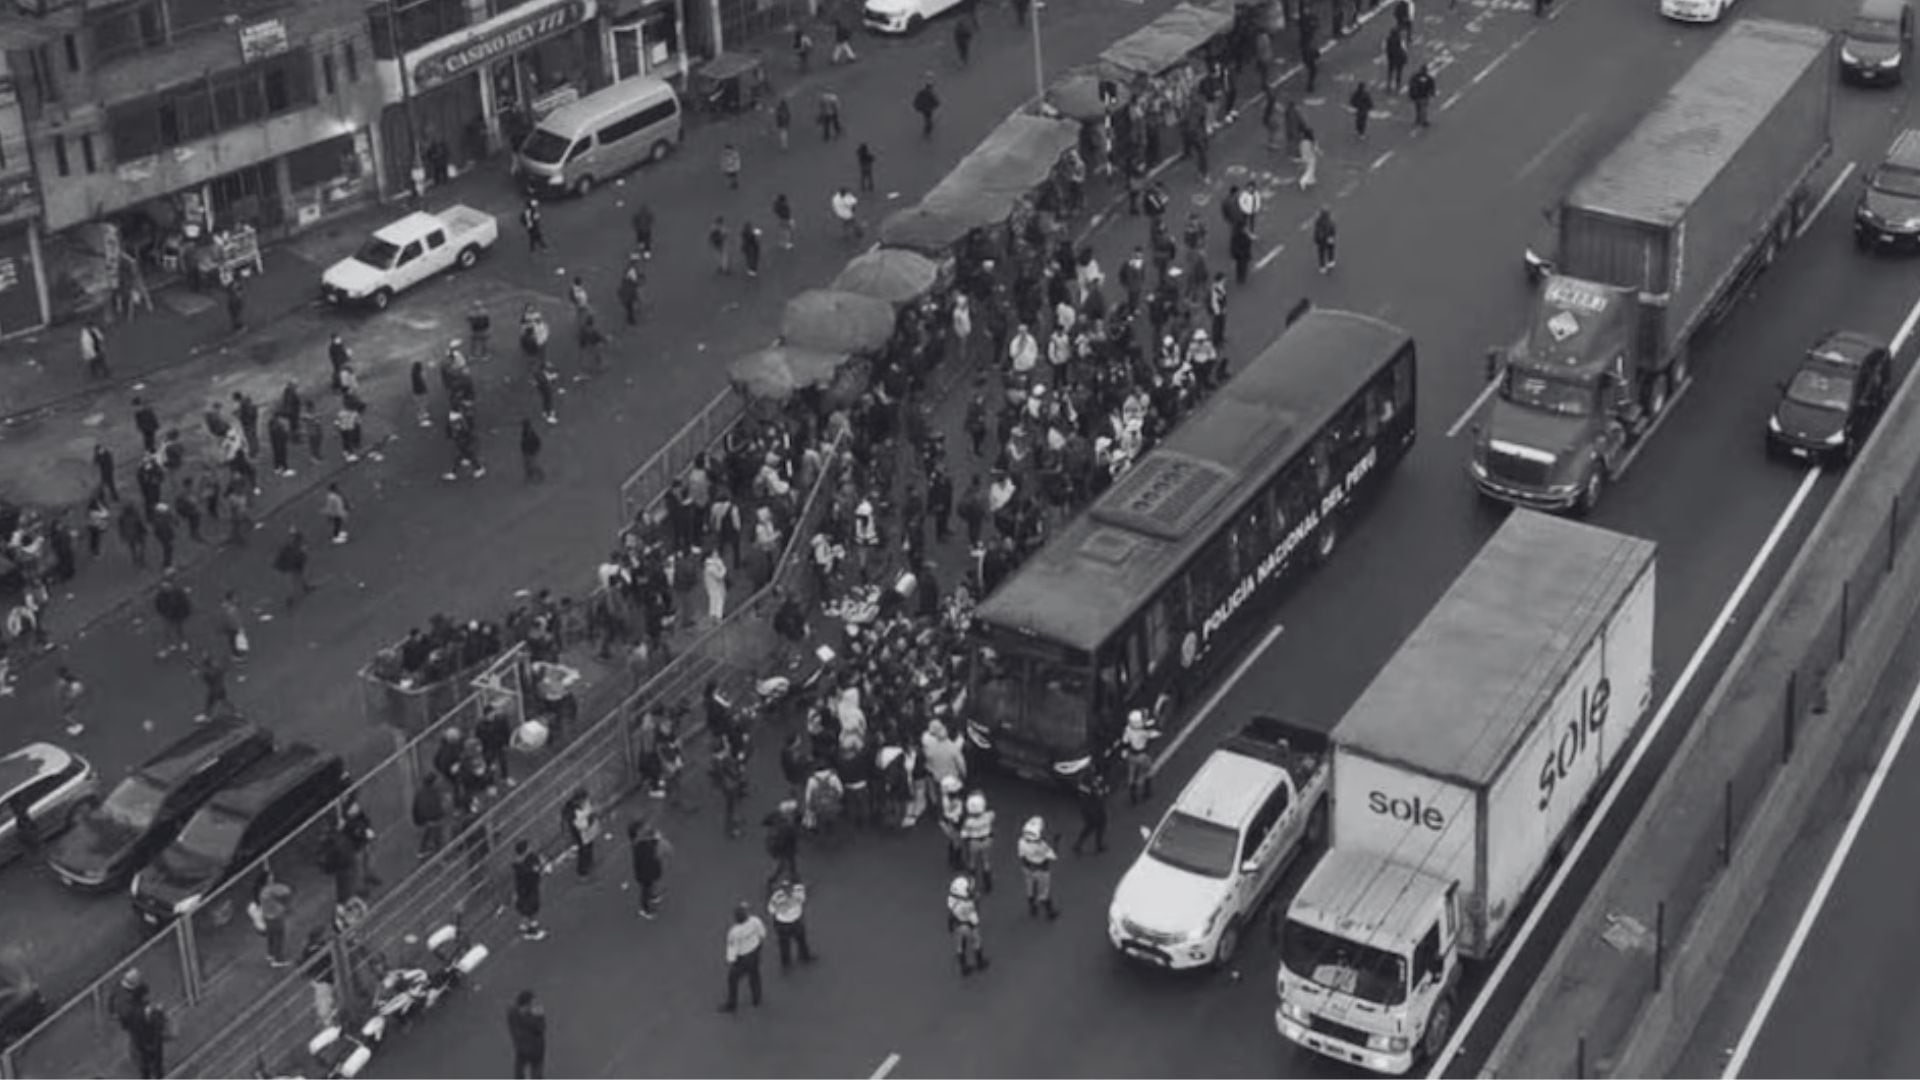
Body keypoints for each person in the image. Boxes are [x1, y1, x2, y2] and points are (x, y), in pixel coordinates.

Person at [720, 900, 768, 1011]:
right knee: (755, 975)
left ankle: (732, 1004)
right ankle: (757, 998)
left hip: (742, 958)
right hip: (755, 952)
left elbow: (732, 948)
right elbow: (762, 933)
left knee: (732, 979)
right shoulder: (755, 921)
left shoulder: (734, 932)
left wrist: (731, 960)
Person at [767, 873, 815, 968]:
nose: (787, 890)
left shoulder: (798, 890)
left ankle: (804, 956)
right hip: (783, 924)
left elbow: (771, 910)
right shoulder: (777, 897)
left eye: (789, 888)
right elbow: (771, 909)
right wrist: (784, 907)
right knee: (784, 944)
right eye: (785, 888)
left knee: (801, 940)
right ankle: (786, 962)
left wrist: (785, 906)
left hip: (796, 921)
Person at [1018, 816, 1060, 919]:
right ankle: (1050, 912)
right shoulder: (1041, 846)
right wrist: (1056, 842)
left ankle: (1032, 908)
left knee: (1030, 887)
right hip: (1041, 869)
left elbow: (1021, 855)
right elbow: (1053, 855)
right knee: (1044, 891)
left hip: (1027, 867)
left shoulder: (1021, 842)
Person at [947, 874, 988, 975]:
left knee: (960, 944)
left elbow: (951, 914)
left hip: (958, 924)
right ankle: (979, 961)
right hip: (967, 922)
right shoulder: (966, 903)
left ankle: (963, 966)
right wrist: (976, 899)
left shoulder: (952, 901)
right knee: (976, 940)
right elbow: (974, 909)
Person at [628, 818, 668, 917]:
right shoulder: (639, 846)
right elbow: (652, 851)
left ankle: (652, 896)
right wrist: (657, 840)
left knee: (651, 885)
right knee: (645, 889)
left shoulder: (645, 841)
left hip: (651, 868)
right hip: (645, 872)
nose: (647, 828)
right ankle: (645, 908)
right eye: (644, 828)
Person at [1121, 708, 1160, 803]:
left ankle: (1133, 795)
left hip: (1131, 755)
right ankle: (1147, 791)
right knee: (1148, 771)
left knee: (1131, 775)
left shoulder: (1128, 729)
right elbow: (1155, 734)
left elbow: (1125, 741)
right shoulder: (1143, 732)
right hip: (1142, 755)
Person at [959, 789, 995, 892]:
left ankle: (972, 883)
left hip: (974, 843)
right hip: (987, 840)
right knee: (986, 860)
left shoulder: (969, 822)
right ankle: (988, 885)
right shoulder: (989, 816)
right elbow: (992, 815)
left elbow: (964, 834)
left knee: (972, 862)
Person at [513, 839, 549, 940]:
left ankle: (524, 925)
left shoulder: (521, 862)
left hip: (523, 890)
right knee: (531, 909)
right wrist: (540, 870)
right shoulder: (522, 867)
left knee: (526, 909)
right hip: (527, 890)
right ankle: (532, 931)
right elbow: (532, 874)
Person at [507, 989, 547, 1079]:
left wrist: (534, 1015)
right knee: (521, 1073)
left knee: (533, 1074)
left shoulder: (536, 1011)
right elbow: (540, 1027)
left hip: (534, 1049)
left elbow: (541, 1027)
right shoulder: (514, 1013)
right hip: (526, 1048)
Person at [1071, 770, 1109, 855]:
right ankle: (1099, 846)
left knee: (1089, 827)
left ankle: (1078, 844)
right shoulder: (1094, 788)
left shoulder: (1083, 784)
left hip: (1085, 809)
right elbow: (1100, 794)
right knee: (1101, 825)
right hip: (1096, 809)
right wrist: (1104, 790)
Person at [562, 788, 596, 878]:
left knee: (590, 845)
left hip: (587, 829)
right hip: (579, 833)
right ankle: (582, 871)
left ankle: (589, 862)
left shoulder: (584, 803)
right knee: (583, 850)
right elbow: (577, 824)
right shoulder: (571, 810)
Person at [1408, 63, 1436, 127]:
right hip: (1422, 95)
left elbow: (1411, 85)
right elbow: (1432, 86)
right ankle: (1423, 120)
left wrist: (1411, 94)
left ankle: (1420, 119)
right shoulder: (1428, 78)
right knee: (1422, 108)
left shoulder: (1416, 77)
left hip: (1419, 95)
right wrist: (1432, 93)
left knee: (1420, 108)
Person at [1313, 206, 1338, 273]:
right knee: (1329, 249)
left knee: (1322, 253)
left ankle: (1323, 266)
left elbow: (1316, 231)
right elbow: (1332, 229)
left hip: (1321, 240)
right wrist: (1332, 237)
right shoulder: (1330, 221)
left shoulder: (1318, 221)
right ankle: (1330, 262)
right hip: (1327, 238)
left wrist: (1316, 239)